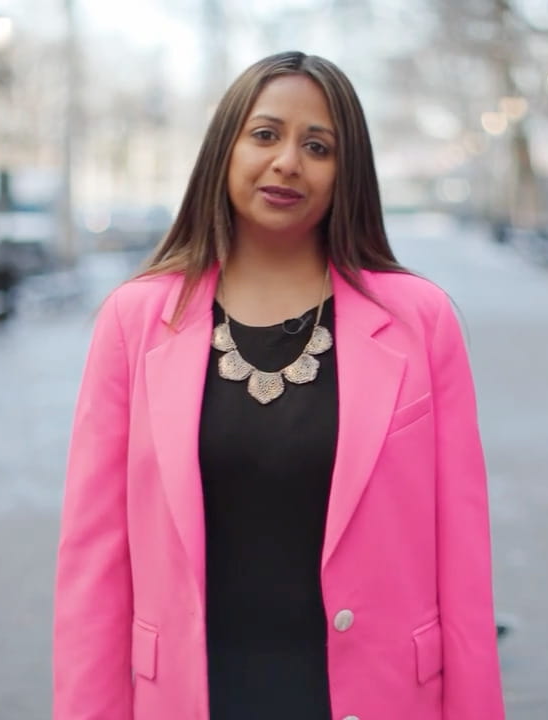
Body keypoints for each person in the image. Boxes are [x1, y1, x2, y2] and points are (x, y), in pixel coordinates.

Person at [53, 50, 504, 720]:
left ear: (346, 172)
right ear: (223, 149)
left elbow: (462, 562)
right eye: (265, 135)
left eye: (317, 145)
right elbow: (94, 563)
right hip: (190, 695)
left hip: (375, 697)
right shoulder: (135, 320)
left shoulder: (420, 321)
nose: (288, 161)